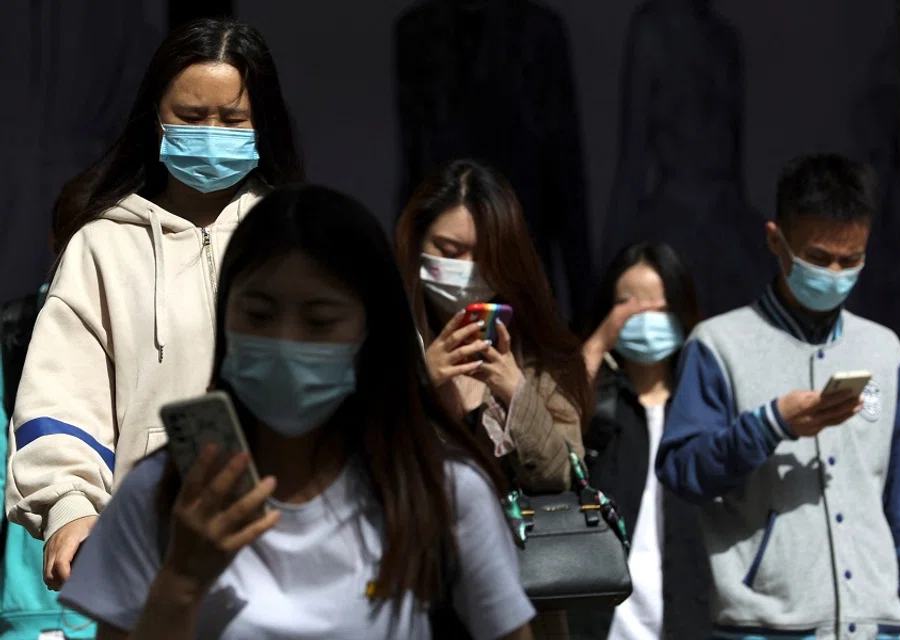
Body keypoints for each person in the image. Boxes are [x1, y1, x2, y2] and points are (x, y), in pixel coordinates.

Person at [57, 185, 536, 640]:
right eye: (259, 315)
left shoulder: (440, 491)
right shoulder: (161, 493)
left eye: (320, 321)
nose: (285, 341)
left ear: (373, 332)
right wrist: (182, 578)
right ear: (225, 317)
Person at [5, 17, 304, 592]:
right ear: (155, 119)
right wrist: (69, 507)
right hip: (152, 555)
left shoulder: (302, 236)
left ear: (263, 123)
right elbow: (62, 395)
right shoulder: (101, 246)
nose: (211, 132)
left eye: (232, 118)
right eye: (192, 117)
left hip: (293, 548)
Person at [656, 154, 900, 640]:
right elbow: (683, 473)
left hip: (877, 626)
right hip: (767, 627)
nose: (834, 273)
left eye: (850, 259)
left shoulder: (883, 350)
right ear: (776, 240)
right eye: (818, 258)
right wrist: (771, 426)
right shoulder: (718, 345)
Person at [396, 158, 591, 639]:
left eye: (482, 258)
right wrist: (422, 381)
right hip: (409, 595)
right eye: (448, 250)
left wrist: (513, 390)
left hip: (518, 605)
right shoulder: (385, 344)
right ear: (417, 245)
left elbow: (562, 472)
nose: (464, 272)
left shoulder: (538, 355)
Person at [566, 243, 711, 640]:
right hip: (600, 623)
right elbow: (549, 423)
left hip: (687, 618)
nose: (644, 319)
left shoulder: (702, 404)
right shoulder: (597, 399)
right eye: (628, 306)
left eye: (658, 308)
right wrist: (596, 344)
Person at [0, 179, 99, 639]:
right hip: (36, 605)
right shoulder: (14, 333)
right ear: (55, 242)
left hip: (145, 596)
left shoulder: (162, 333)